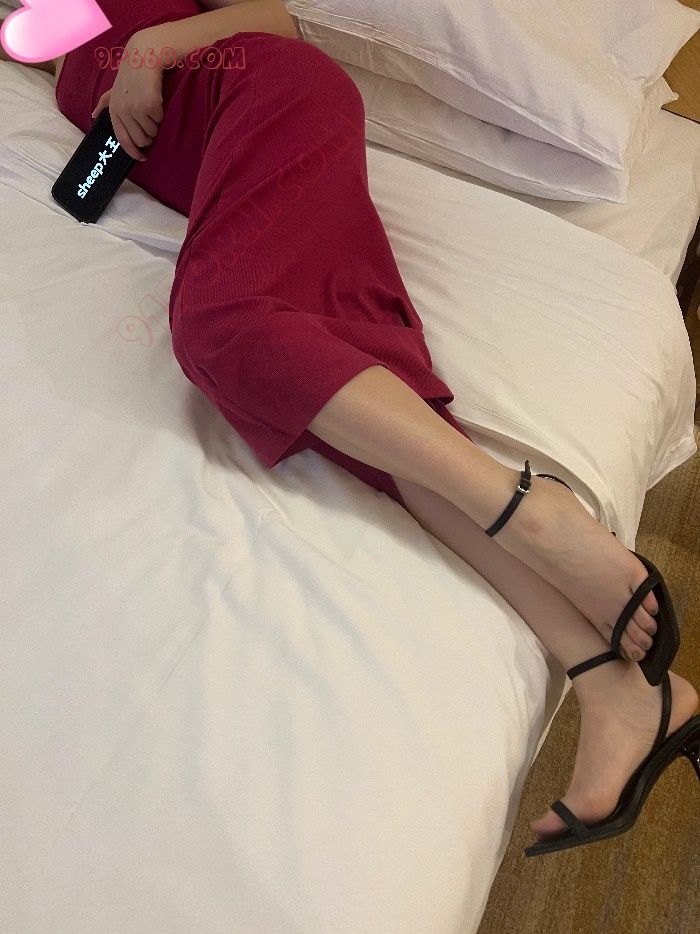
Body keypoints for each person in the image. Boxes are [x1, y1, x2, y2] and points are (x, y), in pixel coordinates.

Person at [5, 0, 697, 850]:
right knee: (376, 423)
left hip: (273, 99)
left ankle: (536, 511)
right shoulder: (40, 32)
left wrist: (152, 48)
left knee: (221, 325)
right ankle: (618, 691)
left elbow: (277, 19)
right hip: (244, 188)